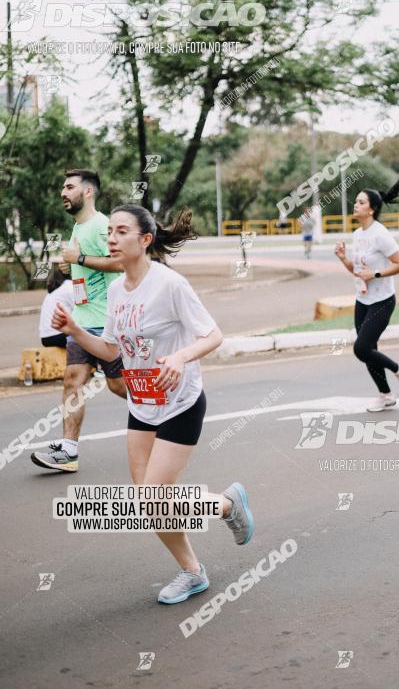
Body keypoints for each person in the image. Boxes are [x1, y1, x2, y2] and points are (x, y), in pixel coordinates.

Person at [49, 204, 253, 605]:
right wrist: (74, 329)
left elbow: (212, 336)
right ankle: (193, 571)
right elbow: (110, 349)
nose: (111, 238)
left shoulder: (168, 285)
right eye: (109, 231)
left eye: (121, 231)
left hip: (180, 401)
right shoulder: (113, 291)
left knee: (155, 495)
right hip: (142, 402)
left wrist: (179, 358)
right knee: (147, 503)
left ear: (144, 240)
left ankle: (228, 504)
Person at [31, 170, 127, 473]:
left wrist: (79, 259)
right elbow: (88, 269)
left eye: (69, 187)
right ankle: (68, 451)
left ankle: (166, 410)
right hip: (81, 321)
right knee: (72, 380)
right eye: (62, 186)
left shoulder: (101, 226)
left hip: (107, 322)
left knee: (118, 385)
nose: (63, 191)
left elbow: (119, 262)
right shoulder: (78, 228)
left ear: (87, 192)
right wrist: (71, 266)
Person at [334, 181, 399, 411]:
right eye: (356, 201)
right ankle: (386, 395)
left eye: (361, 202)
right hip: (362, 300)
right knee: (370, 350)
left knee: (361, 349)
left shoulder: (381, 234)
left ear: (371, 209)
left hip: (382, 301)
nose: (355, 205)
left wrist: (377, 273)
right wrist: (343, 258)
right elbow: (359, 271)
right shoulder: (358, 234)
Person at [39, 268, 74, 350]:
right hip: (59, 335)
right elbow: (80, 308)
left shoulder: (53, 291)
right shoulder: (69, 285)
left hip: (45, 338)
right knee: (89, 336)